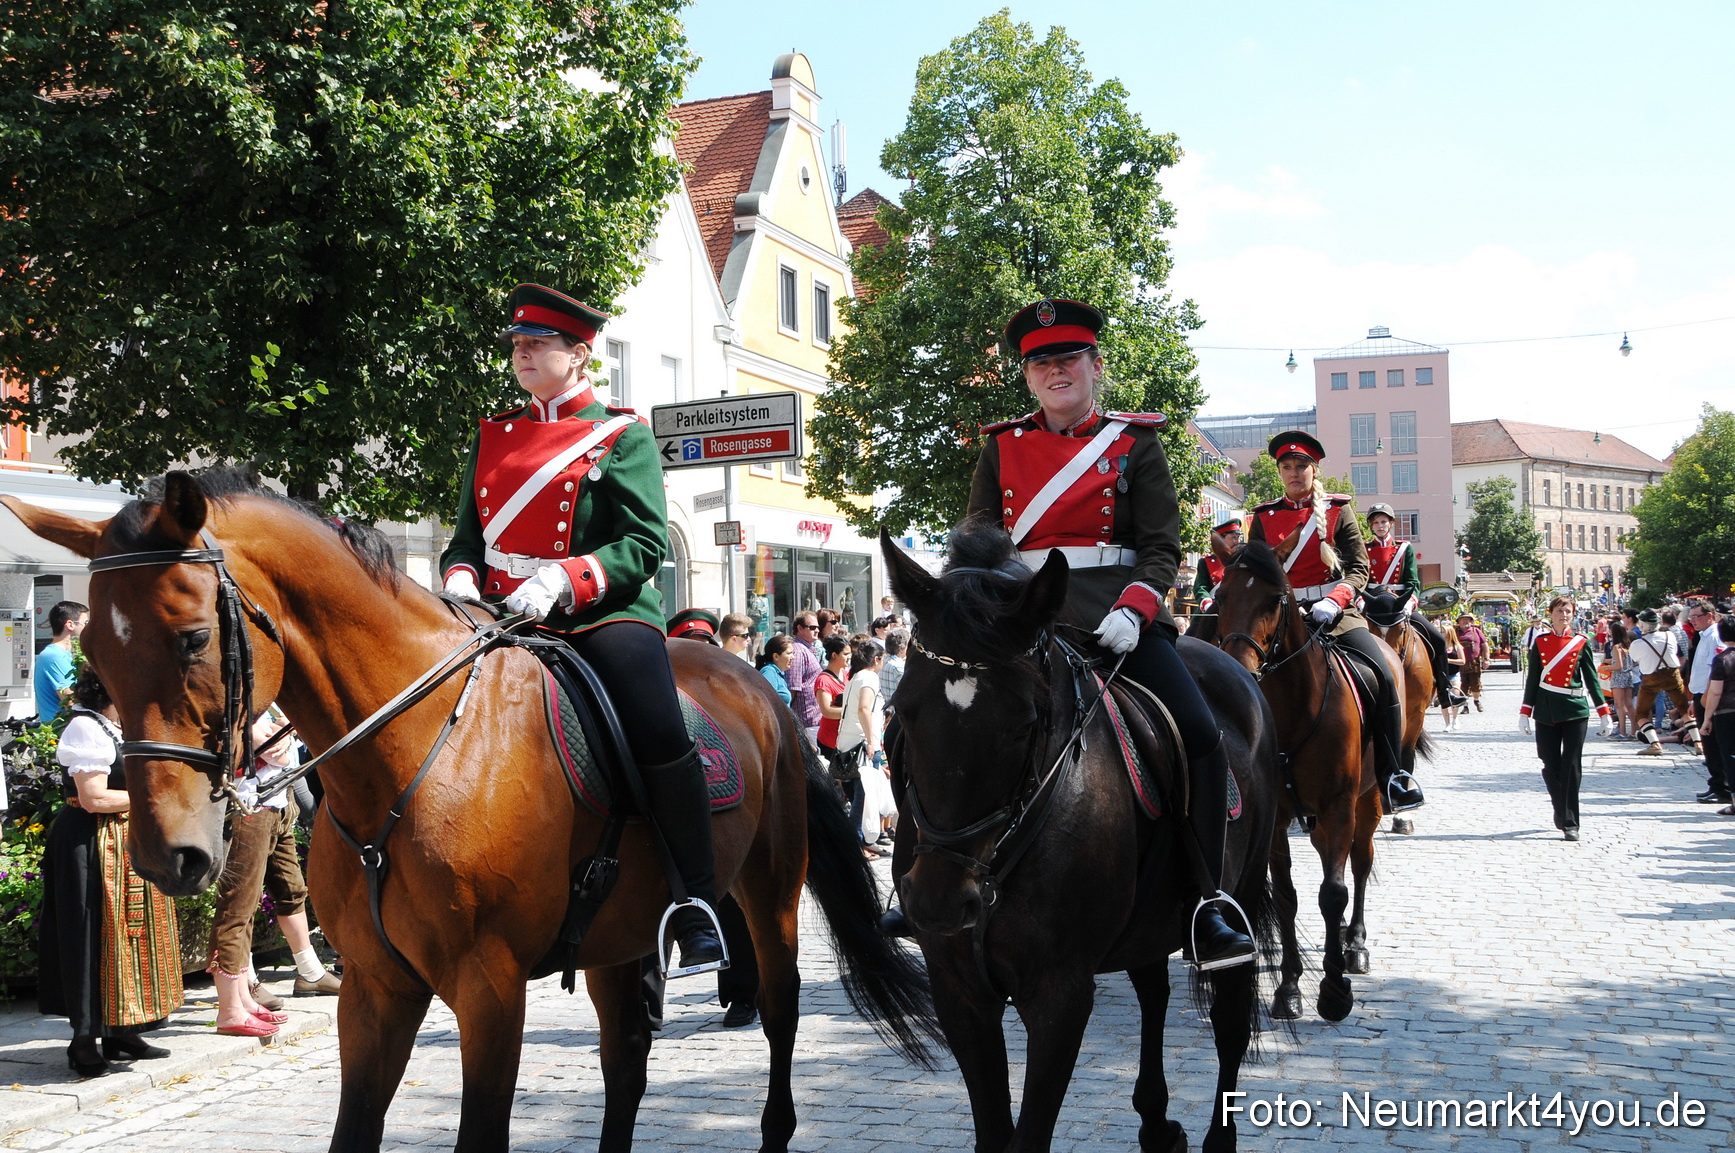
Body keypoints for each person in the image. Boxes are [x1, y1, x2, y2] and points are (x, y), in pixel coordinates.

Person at [907, 296, 1258, 969]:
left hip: (1116, 622)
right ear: (1027, 376)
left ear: (1095, 365)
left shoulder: (1135, 442)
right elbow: (976, 544)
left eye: (1068, 358)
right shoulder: (1001, 446)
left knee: (1200, 732)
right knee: (930, 721)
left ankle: (1207, 900)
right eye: (1041, 363)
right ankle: (924, 875)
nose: (1055, 371)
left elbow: (1160, 546)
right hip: (1021, 623)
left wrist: (1132, 608)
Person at [440, 283, 722, 973]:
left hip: (599, 614)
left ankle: (696, 902)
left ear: (580, 354)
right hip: (497, 615)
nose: (522, 354)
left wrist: (563, 579)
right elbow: (465, 538)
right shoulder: (494, 433)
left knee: (656, 721)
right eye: (516, 344)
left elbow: (642, 544)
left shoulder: (622, 436)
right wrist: (460, 577)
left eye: (537, 344)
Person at [1248, 431, 1422, 813]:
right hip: (1284, 617)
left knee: (1381, 674)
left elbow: (1359, 567)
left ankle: (1394, 774)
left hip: (1336, 614)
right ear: (1280, 472)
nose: (1294, 474)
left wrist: (1334, 599)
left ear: (1314, 470)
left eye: (1301, 467)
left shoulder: (1337, 510)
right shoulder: (1263, 518)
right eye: (1287, 467)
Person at [38, 669, 182, 1077]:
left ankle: (123, 1032)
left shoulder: (118, 726)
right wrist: (155, 799)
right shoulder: (86, 727)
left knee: (132, 935)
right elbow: (94, 797)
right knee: (91, 935)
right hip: (91, 844)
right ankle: (83, 1041)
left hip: (126, 841)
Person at [1520, 596, 1614, 841]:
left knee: (1571, 766)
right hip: (1546, 709)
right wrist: (1525, 712)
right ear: (1550, 613)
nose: (1564, 615)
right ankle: (1560, 808)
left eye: (1568, 611)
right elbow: (1533, 680)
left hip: (1574, 710)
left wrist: (1604, 713)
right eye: (1560, 611)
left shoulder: (1580, 643)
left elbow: (1592, 681)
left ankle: (1570, 821)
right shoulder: (1540, 643)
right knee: (1550, 765)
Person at [1365, 503, 1465, 712]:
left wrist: (1410, 603)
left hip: (1399, 605)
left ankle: (1445, 691)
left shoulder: (1404, 548)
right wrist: (1360, 602)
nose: (1380, 525)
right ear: (1371, 526)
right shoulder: (1364, 549)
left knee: (1437, 639)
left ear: (1391, 524)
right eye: (1376, 522)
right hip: (1372, 605)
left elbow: (1413, 582)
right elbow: (1361, 581)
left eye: (1384, 521)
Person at [1628, 608, 1701, 759]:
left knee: (1641, 713)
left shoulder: (1637, 643)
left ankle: (1655, 744)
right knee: (1684, 709)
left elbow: (1635, 659)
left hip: (1651, 678)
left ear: (1642, 626)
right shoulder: (1669, 635)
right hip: (1672, 674)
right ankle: (1698, 742)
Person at [837, 639, 886, 857]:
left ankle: (863, 841)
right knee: (864, 796)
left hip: (847, 742)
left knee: (859, 795)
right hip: (861, 744)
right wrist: (872, 742)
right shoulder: (869, 677)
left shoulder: (855, 677)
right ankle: (856, 843)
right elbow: (864, 708)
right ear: (876, 659)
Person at [1686, 601, 1727, 804]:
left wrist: (1705, 698)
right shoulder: (1703, 636)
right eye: (1691, 617)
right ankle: (1716, 783)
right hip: (1700, 694)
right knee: (1708, 744)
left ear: (1709, 615)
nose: (1693, 621)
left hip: (1708, 695)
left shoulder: (1714, 636)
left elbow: (1715, 671)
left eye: (1697, 616)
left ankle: (1722, 786)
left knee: (1713, 743)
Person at [1698, 618, 1735, 812]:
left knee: (1729, 755)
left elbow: (1715, 692)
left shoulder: (1722, 659)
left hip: (1727, 712)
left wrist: (1707, 717)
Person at [33, 600, 87, 724]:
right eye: (86, 622)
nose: (88, 627)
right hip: (60, 733)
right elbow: (70, 700)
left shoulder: (63, 655)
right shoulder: (54, 656)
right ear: (70, 625)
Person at [1192, 514, 1242, 605]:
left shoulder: (1242, 561)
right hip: (1213, 606)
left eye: (1238, 537)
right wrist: (1206, 603)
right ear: (1221, 540)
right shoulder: (1205, 562)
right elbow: (1200, 587)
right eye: (1233, 537)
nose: (1237, 542)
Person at [788, 611, 823, 741]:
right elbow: (792, 687)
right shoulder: (797, 650)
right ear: (800, 628)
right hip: (806, 722)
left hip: (813, 720)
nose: (817, 631)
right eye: (812, 627)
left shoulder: (807, 649)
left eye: (818, 627)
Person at [1607, 620, 1639, 739]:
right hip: (1629, 676)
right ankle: (1633, 730)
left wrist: (1607, 667)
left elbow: (1618, 666)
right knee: (1629, 705)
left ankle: (1622, 732)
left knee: (1619, 705)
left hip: (1619, 676)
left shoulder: (1616, 647)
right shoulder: (1627, 646)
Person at [1456, 612, 1489, 713]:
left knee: (1476, 684)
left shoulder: (1476, 631)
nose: (1465, 621)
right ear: (1459, 622)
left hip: (1474, 663)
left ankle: (1476, 701)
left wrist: (1486, 659)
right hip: (1459, 663)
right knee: (1463, 685)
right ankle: (1465, 706)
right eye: (1463, 619)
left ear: (1470, 621)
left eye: (1467, 619)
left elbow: (1484, 645)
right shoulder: (1455, 632)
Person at [1441, 621, 1467, 731]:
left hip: (1454, 674)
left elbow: (1463, 661)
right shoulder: (1440, 646)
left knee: (1455, 697)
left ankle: (1455, 719)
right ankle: (1447, 723)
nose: (1441, 633)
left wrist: (1449, 660)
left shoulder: (1457, 646)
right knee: (1444, 699)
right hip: (1443, 674)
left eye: (1443, 631)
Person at [756, 634, 794, 706]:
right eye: (789, 653)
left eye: (793, 653)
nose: (793, 657)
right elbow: (764, 701)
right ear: (776, 656)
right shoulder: (769, 672)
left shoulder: (778, 673)